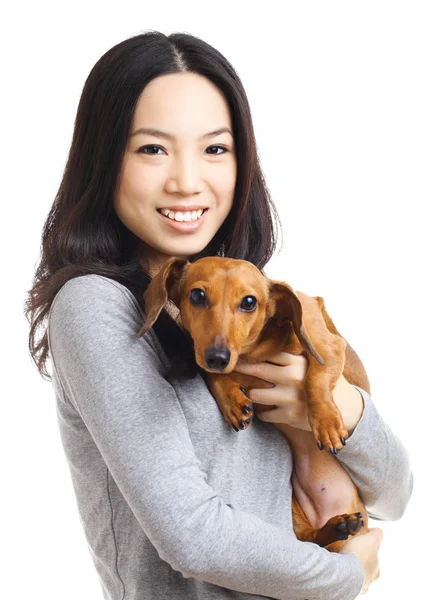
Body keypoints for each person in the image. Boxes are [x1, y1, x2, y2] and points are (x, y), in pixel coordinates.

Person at [24, 30, 413, 600]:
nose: (187, 181)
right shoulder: (96, 304)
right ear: (104, 160)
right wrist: (345, 576)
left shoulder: (248, 306)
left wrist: (338, 405)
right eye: (152, 148)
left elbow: (396, 496)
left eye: (215, 148)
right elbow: (193, 538)